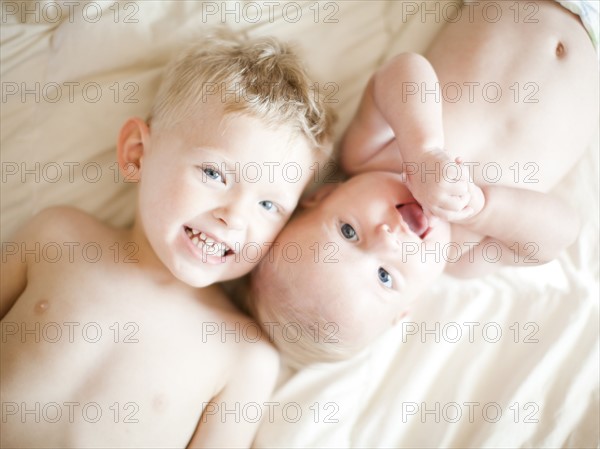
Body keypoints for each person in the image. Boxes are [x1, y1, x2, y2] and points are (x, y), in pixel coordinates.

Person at [0, 31, 334, 448]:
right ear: (138, 153)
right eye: (214, 174)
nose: (234, 217)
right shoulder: (57, 237)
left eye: (269, 206)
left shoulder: (244, 357)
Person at [245, 0, 599, 367]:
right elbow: (560, 232)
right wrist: (479, 209)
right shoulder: (462, 256)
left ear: (326, 194)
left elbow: (404, 71)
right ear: (407, 307)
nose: (387, 236)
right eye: (384, 276)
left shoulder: (368, 156)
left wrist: (423, 150)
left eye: (348, 232)